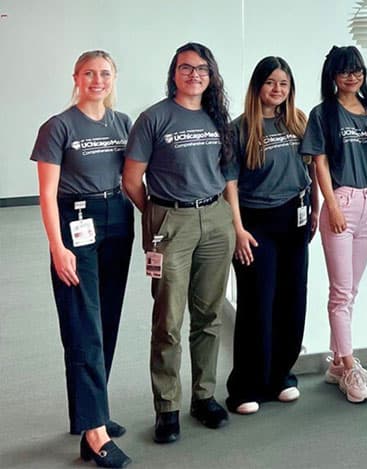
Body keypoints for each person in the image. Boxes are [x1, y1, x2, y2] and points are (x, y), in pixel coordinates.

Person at [122, 42, 236, 443]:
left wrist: (229, 220)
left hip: (216, 219)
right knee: (168, 320)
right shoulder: (153, 118)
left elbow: (227, 175)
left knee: (209, 317)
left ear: (211, 74)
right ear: (174, 73)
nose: (195, 75)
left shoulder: (216, 117)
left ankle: (204, 396)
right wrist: (158, 214)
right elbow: (132, 180)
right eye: (186, 68)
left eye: (202, 68)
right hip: (171, 222)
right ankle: (166, 406)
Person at [31, 49, 133, 469]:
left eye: (105, 73)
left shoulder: (122, 123)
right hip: (76, 222)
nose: (97, 80)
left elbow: (133, 177)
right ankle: (94, 432)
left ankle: (93, 413)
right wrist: (58, 246)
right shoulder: (57, 126)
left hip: (117, 219)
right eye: (89, 73)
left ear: (113, 78)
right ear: (76, 76)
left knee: (105, 320)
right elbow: (47, 194)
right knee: (82, 323)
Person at [300, 46, 367, 403]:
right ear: (332, 76)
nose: (352, 77)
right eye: (344, 71)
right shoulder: (323, 113)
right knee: (340, 292)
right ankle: (350, 365)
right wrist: (330, 206)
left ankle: (338, 364)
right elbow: (319, 163)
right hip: (342, 203)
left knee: (351, 290)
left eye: (357, 70)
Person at [224, 56, 318, 415]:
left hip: (294, 218)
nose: (277, 90)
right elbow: (229, 183)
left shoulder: (297, 121)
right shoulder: (239, 128)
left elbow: (312, 167)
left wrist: (316, 208)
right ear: (257, 86)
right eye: (270, 83)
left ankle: (281, 376)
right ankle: (246, 385)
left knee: (292, 300)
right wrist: (237, 229)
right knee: (256, 304)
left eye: (283, 83)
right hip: (255, 223)